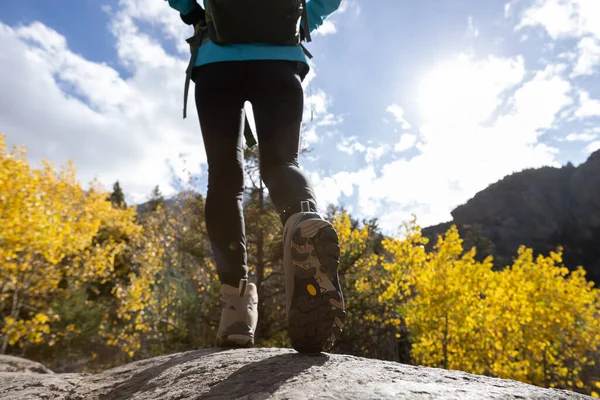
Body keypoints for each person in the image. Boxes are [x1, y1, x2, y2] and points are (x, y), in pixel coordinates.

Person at [168, 0, 345, 354]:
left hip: (215, 62)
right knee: (282, 165)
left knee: (224, 179)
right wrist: (303, 20)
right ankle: (303, 225)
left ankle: (235, 309)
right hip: (280, 59)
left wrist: (193, 13)